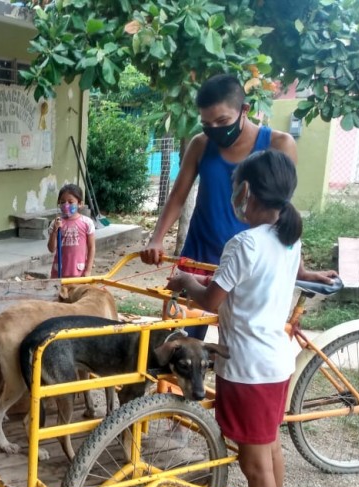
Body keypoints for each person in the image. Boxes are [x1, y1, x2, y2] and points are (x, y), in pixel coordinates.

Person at [166, 150, 303, 487]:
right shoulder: (288, 235)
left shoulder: (243, 243)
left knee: (255, 462)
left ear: (245, 191)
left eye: (234, 189)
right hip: (275, 362)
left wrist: (187, 282)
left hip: (249, 368)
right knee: (270, 451)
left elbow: (210, 302)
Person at [141, 74, 335, 337]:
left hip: (249, 261)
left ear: (245, 110)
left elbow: (283, 210)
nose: (215, 129)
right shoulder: (200, 144)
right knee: (179, 342)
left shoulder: (279, 145)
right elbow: (178, 196)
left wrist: (297, 269)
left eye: (222, 121)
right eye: (207, 123)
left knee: (239, 338)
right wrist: (157, 238)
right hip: (199, 255)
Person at [46, 183, 96, 278]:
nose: (66, 205)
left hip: (78, 272)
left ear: (80, 204)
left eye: (70, 202)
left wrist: (88, 270)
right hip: (59, 272)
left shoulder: (86, 222)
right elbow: (51, 249)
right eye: (62, 202)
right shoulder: (55, 223)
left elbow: (91, 248)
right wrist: (55, 231)